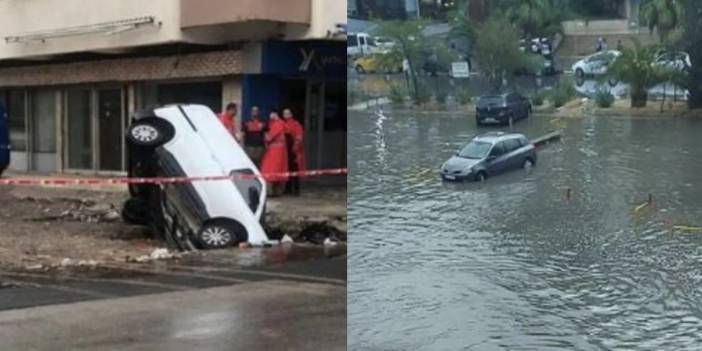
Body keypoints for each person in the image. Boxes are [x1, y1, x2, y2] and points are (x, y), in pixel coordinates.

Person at [260, 111, 288, 196]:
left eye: (272, 114)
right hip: (278, 151)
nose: (270, 115)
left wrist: (265, 136)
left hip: (275, 151)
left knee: (268, 170)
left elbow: (269, 137)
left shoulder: (278, 124)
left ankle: (271, 192)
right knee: (277, 171)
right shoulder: (279, 123)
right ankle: (276, 191)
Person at [283, 108, 306, 195]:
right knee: (287, 170)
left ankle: (296, 189)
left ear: (291, 114)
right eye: (284, 113)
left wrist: (295, 148)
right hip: (286, 151)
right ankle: (288, 189)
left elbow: (299, 137)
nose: (285, 115)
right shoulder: (283, 124)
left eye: (287, 113)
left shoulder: (296, 124)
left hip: (294, 151)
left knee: (295, 170)